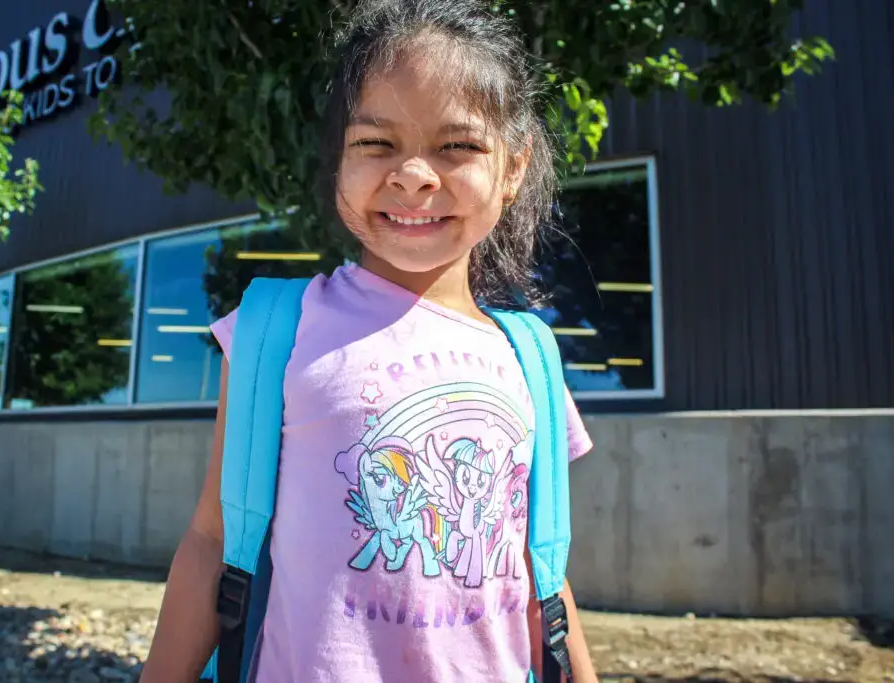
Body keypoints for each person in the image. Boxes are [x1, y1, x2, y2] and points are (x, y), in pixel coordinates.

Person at [141, 0, 599, 681]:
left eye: (458, 146)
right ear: (337, 162)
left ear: (513, 169)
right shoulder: (276, 329)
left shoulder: (529, 355)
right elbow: (213, 539)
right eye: (375, 144)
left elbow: (542, 570)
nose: (413, 174)